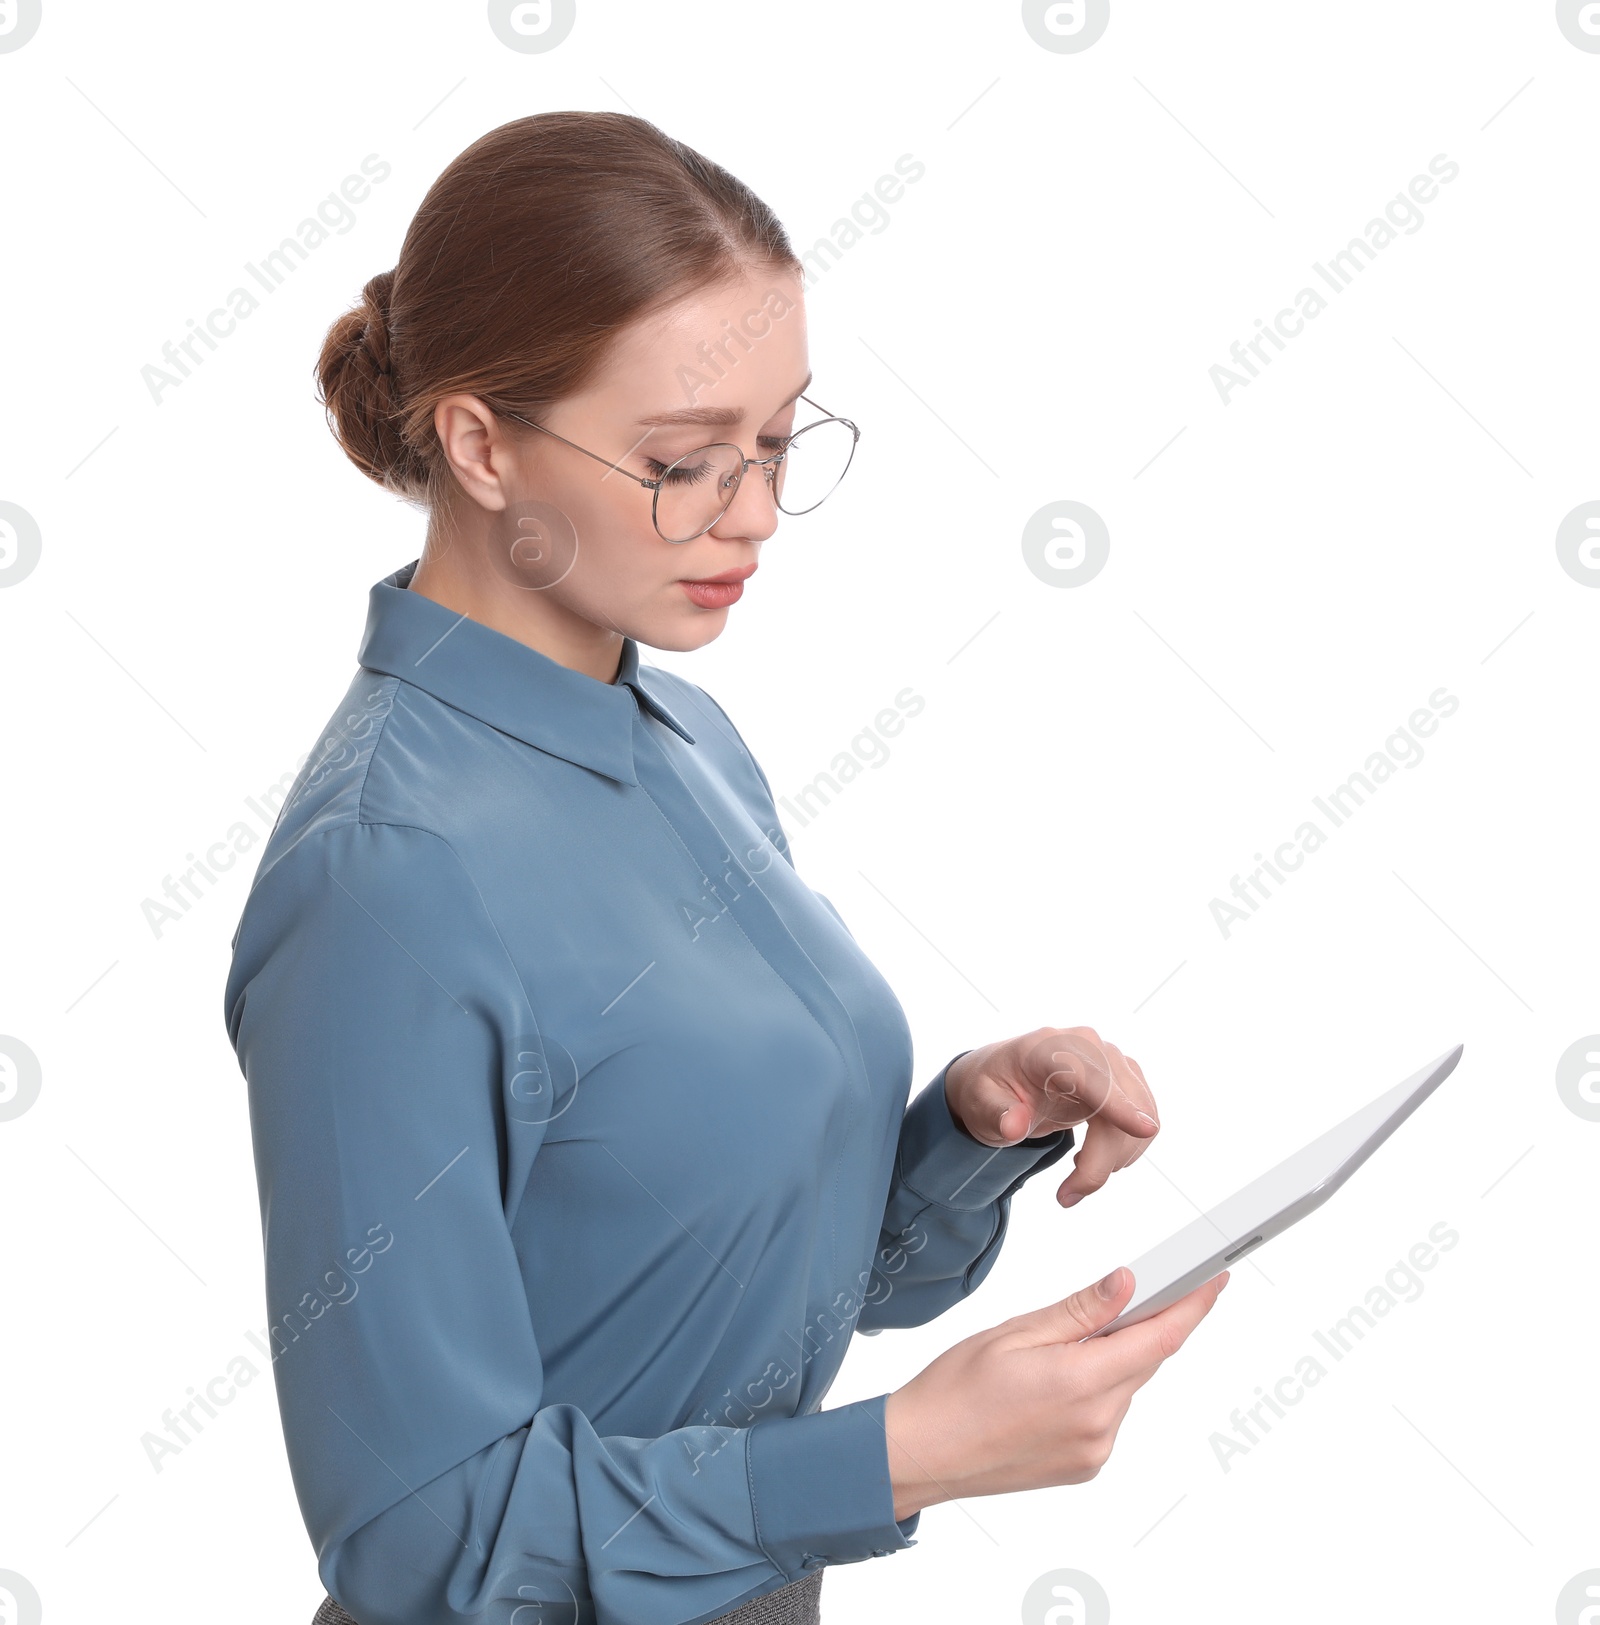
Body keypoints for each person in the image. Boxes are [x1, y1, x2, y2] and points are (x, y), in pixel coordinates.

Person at [222, 109, 1228, 1625]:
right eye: (687, 462)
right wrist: (891, 1457)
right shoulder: (385, 877)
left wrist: (968, 1126)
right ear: (480, 443)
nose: (754, 514)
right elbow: (422, 1543)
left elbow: (724, 1298)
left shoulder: (684, 735)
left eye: (776, 443)